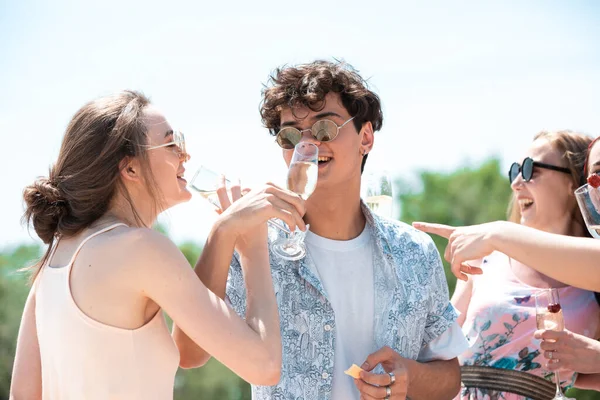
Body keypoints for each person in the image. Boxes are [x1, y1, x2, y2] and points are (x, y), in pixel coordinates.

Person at [174, 60, 468, 400]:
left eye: (325, 128)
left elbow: (450, 376)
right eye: (291, 135)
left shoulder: (415, 251)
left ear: (366, 137)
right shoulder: (252, 243)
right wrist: (222, 230)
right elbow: (189, 354)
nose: (308, 145)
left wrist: (409, 377)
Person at [9, 90, 308, 399]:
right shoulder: (141, 248)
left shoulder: (55, 258)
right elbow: (265, 366)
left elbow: (191, 351)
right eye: (171, 142)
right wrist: (252, 246)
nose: (185, 154)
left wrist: (223, 232)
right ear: (130, 169)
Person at [417, 130, 600, 398]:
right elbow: (436, 350)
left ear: (574, 182)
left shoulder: (592, 287)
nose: (516, 183)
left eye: (529, 169)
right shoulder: (486, 260)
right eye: (515, 170)